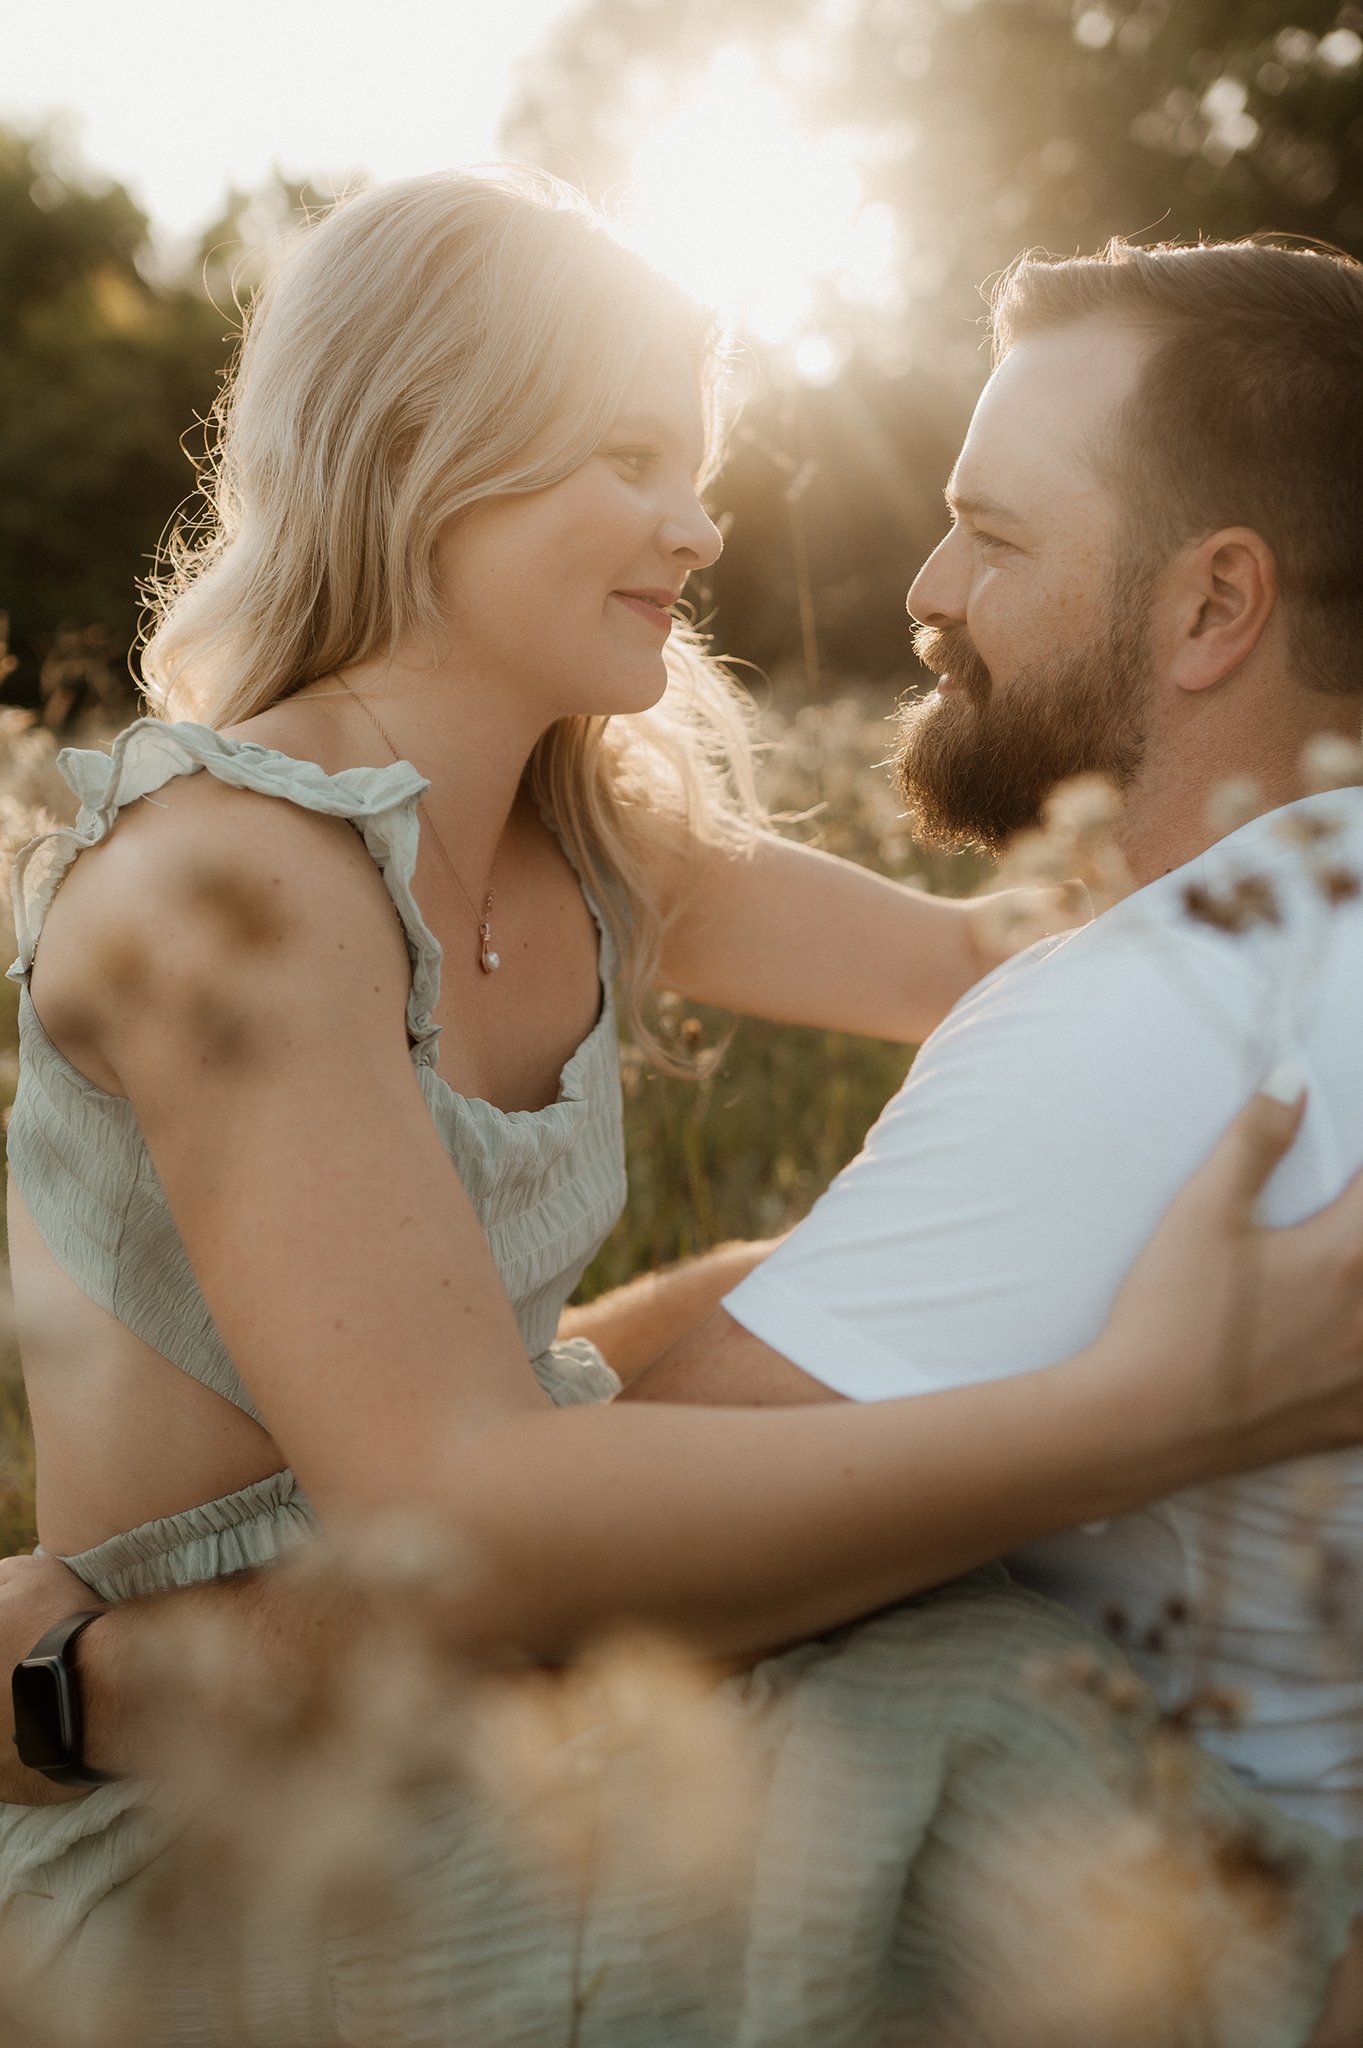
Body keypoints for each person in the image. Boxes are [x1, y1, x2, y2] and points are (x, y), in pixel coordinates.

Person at [2, 176, 1363, 2045]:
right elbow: (452, 1504)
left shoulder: (598, 839)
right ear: (423, 453)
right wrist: (1134, 1412)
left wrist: (1285, 868)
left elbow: (1006, 957)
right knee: (974, 1728)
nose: (701, 526)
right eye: (631, 456)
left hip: (482, 1672)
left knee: (982, 1677)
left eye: (699, 463)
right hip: (224, 1794)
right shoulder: (223, 892)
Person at [632, 238, 1363, 1843]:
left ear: (1213, 603)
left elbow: (578, 1582)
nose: (928, 593)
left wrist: (90, 1668)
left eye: (992, 533)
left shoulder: (1168, 1001)